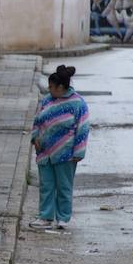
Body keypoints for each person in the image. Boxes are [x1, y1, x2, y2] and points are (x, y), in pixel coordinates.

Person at [29, 65, 90, 231]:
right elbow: (37, 121)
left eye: (51, 87)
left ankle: (63, 217)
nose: (49, 90)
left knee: (64, 186)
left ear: (61, 87)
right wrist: (35, 138)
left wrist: (79, 151)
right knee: (46, 185)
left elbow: (83, 128)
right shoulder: (47, 100)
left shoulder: (77, 103)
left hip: (66, 153)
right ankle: (45, 216)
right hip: (45, 152)